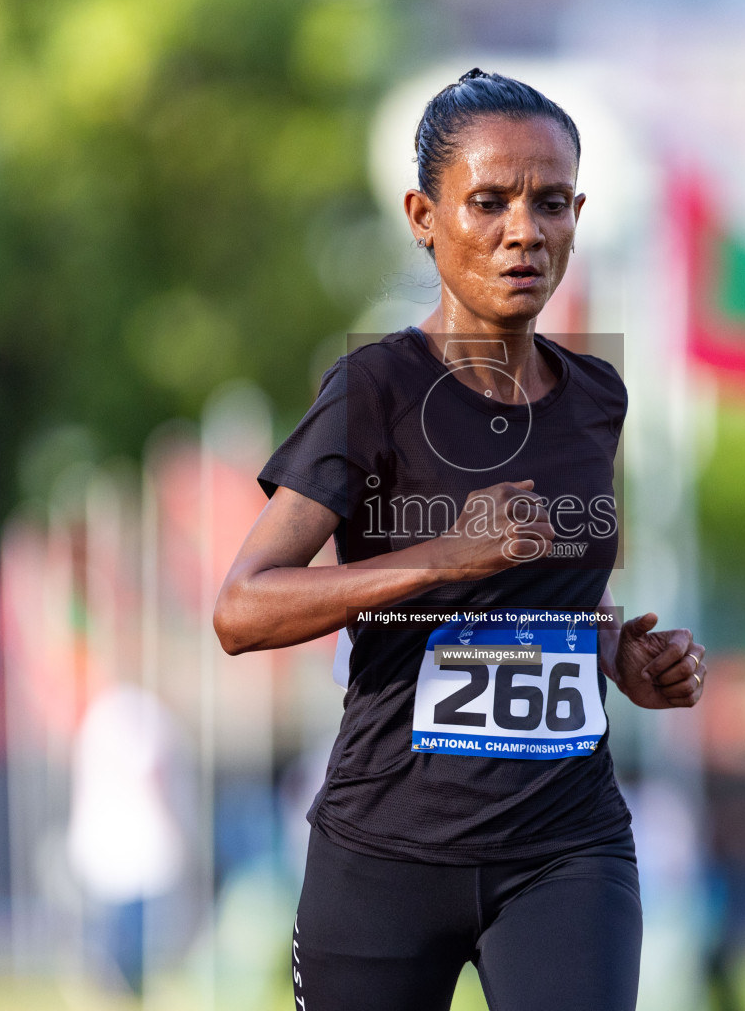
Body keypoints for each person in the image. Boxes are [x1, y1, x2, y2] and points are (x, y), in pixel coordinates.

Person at [214, 68, 707, 1011]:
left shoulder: (597, 397)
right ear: (424, 216)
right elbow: (242, 606)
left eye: (552, 203)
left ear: (578, 213)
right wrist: (443, 555)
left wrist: (617, 653)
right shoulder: (374, 392)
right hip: (387, 853)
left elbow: (545, 589)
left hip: (568, 848)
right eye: (490, 201)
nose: (525, 230)